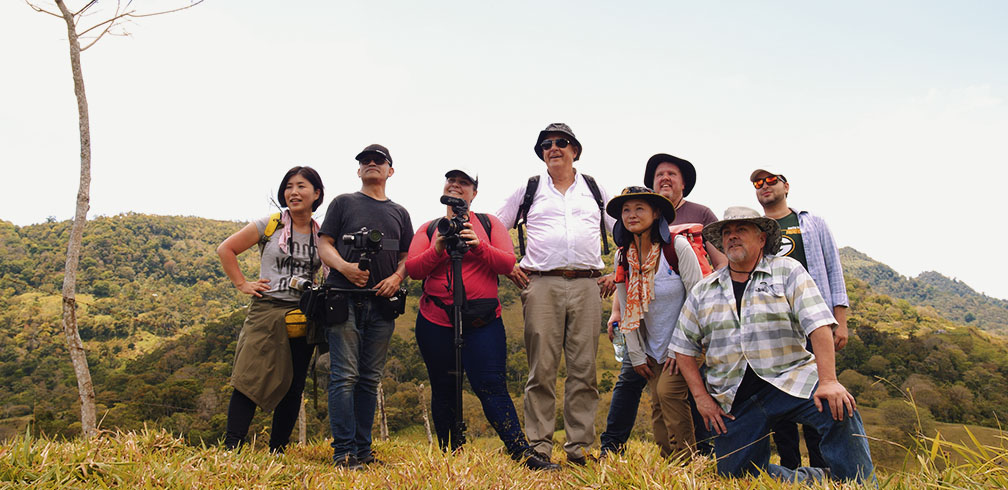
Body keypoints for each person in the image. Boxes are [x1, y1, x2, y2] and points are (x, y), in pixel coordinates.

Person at [669, 207, 874, 483]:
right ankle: (816, 480)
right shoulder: (705, 289)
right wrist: (702, 399)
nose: (732, 236)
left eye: (741, 230)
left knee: (839, 407)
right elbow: (683, 348)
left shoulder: (787, 272)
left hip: (791, 379)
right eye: (727, 232)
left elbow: (818, 324)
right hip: (734, 396)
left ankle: (859, 483)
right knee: (736, 476)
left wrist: (828, 381)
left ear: (762, 238)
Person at [405, 167, 559, 471]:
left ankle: (521, 452)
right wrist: (438, 248)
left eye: (464, 183)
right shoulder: (429, 228)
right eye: (451, 181)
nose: (456, 186)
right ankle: (451, 454)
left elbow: (507, 262)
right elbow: (414, 270)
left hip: (482, 322)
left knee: (491, 385)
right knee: (443, 387)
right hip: (436, 320)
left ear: (474, 192)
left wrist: (478, 245)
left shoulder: (489, 224)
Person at [496, 123, 616, 465]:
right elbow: (496, 226)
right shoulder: (529, 188)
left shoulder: (594, 188)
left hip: (588, 284)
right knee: (542, 370)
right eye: (546, 144)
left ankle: (580, 449)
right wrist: (508, 264)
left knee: (584, 370)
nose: (553, 148)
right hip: (541, 284)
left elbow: (624, 230)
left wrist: (618, 272)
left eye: (561, 142)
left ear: (575, 150)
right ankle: (538, 448)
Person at [600, 153, 722, 457]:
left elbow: (697, 298)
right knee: (657, 402)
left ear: (656, 213)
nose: (631, 215)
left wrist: (681, 348)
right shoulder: (623, 258)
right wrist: (637, 353)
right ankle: (669, 459)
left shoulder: (676, 248)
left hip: (684, 342)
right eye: (626, 210)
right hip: (651, 345)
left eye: (639, 208)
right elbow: (627, 306)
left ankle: (687, 459)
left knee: (668, 393)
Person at [317, 144, 413, 469]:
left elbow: (407, 256)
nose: (371, 164)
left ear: (390, 170)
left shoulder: (400, 213)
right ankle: (344, 452)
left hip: (382, 303)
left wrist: (397, 278)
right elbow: (324, 244)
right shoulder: (343, 202)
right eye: (365, 161)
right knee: (344, 376)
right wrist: (345, 268)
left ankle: (363, 451)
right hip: (342, 298)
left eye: (378, 161)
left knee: (370, 379)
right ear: (358, 170)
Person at [217, 166, 325, 454]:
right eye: (289, 186)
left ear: (316, 193)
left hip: (303, 313)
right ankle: (232, 447)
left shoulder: (322, 234)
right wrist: (242, 284)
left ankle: (278, 449)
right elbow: (226, 249)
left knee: (293, 383)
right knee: (249, 376)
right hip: (267, 308)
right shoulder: (271, 225)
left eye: (301, 186)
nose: (293, 192)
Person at [751, 168, 850, 470]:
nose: (764, 186)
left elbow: (833, 269)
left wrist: (840, 320)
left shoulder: (811, 223)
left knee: (818, 389)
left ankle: (823, 466)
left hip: (813, 322)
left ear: (786, 186)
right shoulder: (756, 230)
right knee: (779, 390)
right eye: (758, 183)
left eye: (771, 180)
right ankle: (790, 464)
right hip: (775, 325)